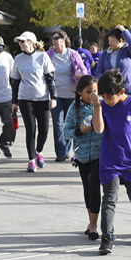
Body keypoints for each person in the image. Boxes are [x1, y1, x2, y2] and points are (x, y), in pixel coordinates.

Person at [92, 69, 131, 255]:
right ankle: (107, 236)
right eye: (104, 96)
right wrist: (98, 106)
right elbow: (99, 129)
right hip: (110, 160)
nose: (108, 100)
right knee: (109, 199)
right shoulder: (103, 106)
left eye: (110, 97)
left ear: (122, 91)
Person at [63, 75, 103, 241]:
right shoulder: (75, 108)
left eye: (95, 91)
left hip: (99, 153)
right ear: (79, 92)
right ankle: (90, 220)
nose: (92, 95)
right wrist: (80, 131)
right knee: (87, 188)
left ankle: (94, 225)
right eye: (88, 92)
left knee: (95, 186)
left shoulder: (101, 104)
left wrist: (98, 107)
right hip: (81, 154)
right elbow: (66, 132)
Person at [10, 31, 57, 172]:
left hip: (42, 97)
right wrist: (14, 101)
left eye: (23, 41)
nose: (20, 44)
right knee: (30, 130)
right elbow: (15, 81)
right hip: (25, 98)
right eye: (19, 41)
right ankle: (31, 160)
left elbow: (50, 78)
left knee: (44, 130)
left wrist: (53, 97)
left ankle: (39, 151)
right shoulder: (18, 59)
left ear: (31, 42)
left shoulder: (42, 57)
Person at [47, 30, 86, 162]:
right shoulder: (49, 55)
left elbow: (84, 70)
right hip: (55, 95)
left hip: (71, 94)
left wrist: (80, 75)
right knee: (58, 124)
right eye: (53, 39)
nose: (54, 41)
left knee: (70, 123)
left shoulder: (73, 54)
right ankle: (60, 152)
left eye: (57, 38)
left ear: (63, 39)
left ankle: (67, 149)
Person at [95, 25, 131, 95]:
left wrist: (123, 30)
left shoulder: (128, 50)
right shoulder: (105, 53)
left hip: (129, 90)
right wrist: (107, 80)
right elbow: (98, 72)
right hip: (111, 91)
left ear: (120, 40)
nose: (110, 43)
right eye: (109, 41)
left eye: (112, 41)